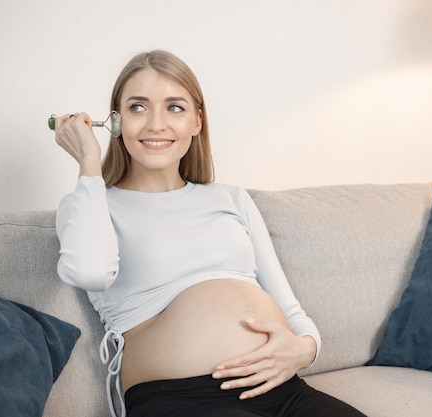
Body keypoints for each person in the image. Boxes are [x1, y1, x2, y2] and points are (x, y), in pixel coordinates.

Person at [54, 49, 366, 417]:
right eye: (138, 107)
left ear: (197, 122)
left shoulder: (231, 197)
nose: (156, 124)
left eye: (174, 107)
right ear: (116, 121)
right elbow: (90, 272)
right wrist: (89, 162)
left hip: (281, 388)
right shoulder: (89, 204)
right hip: (181, 398)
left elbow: (290, 307)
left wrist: (307, 348)